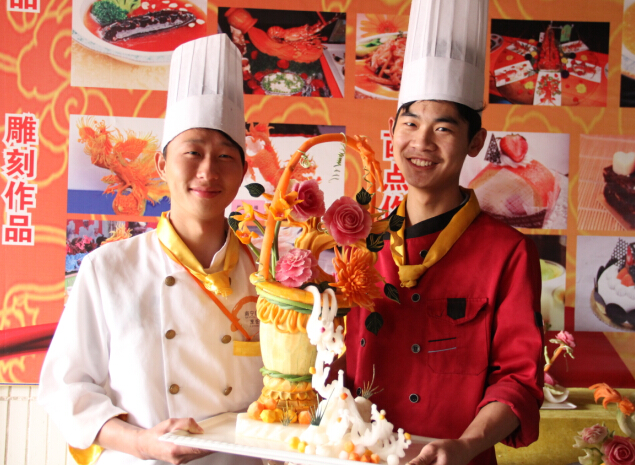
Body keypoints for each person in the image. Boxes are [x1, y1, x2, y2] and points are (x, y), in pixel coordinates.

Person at [39, 34, 264, 465]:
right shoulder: (109, 267)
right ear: (162, 164)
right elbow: (68, 389)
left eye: (225, 156)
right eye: (192, 152)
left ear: (242, 173)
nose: (207, 171)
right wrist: (142, 443)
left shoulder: (267, 275)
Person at [343, 2, 544, 465]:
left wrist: (467, 445)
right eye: (410, 123)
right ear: (392, 130)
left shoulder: (508, 253)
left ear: (475, 141)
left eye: (443, 128)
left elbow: (518, 379)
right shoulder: (358, 244)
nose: (422, 142)